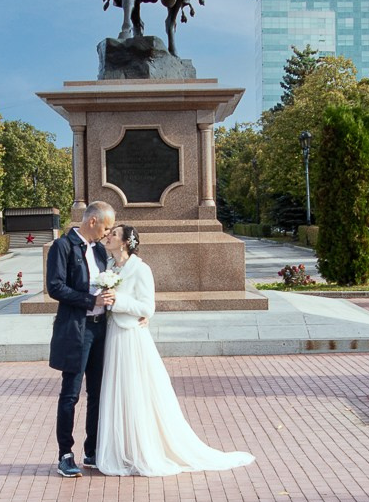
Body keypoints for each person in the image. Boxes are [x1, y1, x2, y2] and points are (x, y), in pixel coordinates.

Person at [90, 224, 253, 477]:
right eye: (108, 233)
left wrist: (117, 301)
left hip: (131, 338)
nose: (107, 236)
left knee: (134, 390)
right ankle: (122, 449)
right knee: (116, 390)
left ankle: (142, 449)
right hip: (113, 334)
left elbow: (148, 307)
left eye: (113, 234)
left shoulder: (140, 269)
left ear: (124, 242)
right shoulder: (110, 268)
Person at [45, 202, 116, 477]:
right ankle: (65, 454)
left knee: (97, 393)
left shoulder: (98, 250)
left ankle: (92, 450)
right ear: (93, 221)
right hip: (77, 330)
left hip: (100, 328)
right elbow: (55, 287)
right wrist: (90, 300)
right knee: (71, 394)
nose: (107, 233)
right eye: (106, 227)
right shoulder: (62, 247)